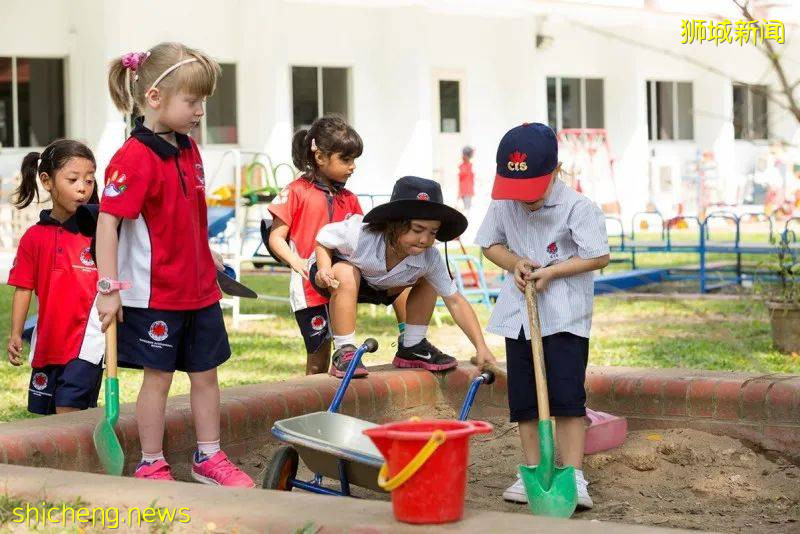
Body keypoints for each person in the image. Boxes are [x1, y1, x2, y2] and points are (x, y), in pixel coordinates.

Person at [97, 42, 252, 486]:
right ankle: (151, 462)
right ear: (155, 99)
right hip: (156, 293)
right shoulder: (133, 158)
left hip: (200, 288)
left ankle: (209, 458)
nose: (200, 110)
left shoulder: (189, 149)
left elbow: (187, 214)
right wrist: (108, 288)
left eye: (203, 100)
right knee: (159, 379)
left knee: (206, 375)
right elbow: (108, 226)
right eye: (192, 101)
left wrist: (207, 252)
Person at [475, 123, 610, 509]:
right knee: (525, 401)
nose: (523, 200)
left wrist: (553, 271)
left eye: (531, 189)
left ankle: (574, 475)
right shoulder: (503, 203)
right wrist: (515, 262)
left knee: (566, 397)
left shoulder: (578, 207)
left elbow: (598, 254)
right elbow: (490, 244)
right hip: (519, 316)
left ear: (554, 171)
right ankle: (533, 469)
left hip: (564, 316)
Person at [310, 175, 497, 377]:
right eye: (417, 229)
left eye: (433, 232)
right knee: (346, 272)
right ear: (394, 224)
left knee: (429, 277)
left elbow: (455, 301)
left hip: (385, 285)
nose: (425, 239)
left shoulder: (429, 257)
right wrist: (324, 267)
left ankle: (412, 346)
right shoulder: (360, 234)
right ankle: (345, 351)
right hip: (338, 276)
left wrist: (481, 347)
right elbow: (323, 238)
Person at [6, 139, 103, 416]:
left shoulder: (99, 234)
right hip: (47, 344)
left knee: (68, 410)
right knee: (47, 416)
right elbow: (24, 288)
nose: (83, 188)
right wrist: (15, 332)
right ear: (46, 181)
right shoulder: (33, 238)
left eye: (89, 180)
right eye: (73, 179)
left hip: (88, 344)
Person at [266, 115, 365, 375]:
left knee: (343, 354)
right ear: (320, 157)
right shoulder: (296, 191)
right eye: (346, 159)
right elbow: (276, 237)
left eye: (354, 159)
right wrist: (297, 262)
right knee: (318, 355)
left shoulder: (350, 199)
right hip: (308, 288)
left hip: (340, 285)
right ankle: (314, 411)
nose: (353, 166)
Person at [458, 145, 475, 212]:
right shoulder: (461, 166)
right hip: (463, 192)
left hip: (467, 192)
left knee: (467, 210)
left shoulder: (470, 167)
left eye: (464, 154)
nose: (462, 156)